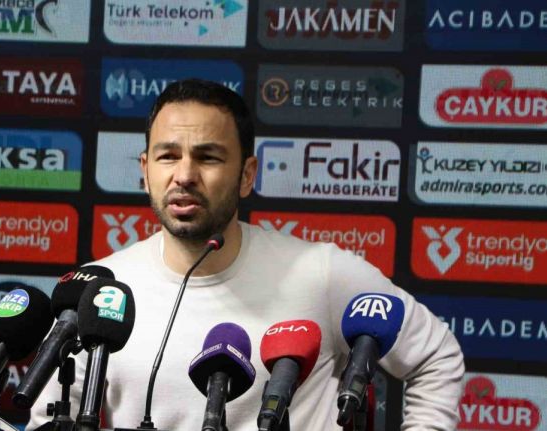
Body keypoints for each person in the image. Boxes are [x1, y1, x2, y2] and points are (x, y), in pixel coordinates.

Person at [27, 79, 464, 430]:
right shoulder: (100, 291)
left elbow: (436, 357)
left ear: (247, 174)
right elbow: (43, 418)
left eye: (208, 158)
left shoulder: (322, 273)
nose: (184, 175)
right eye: (168, 156)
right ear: (145, 171)